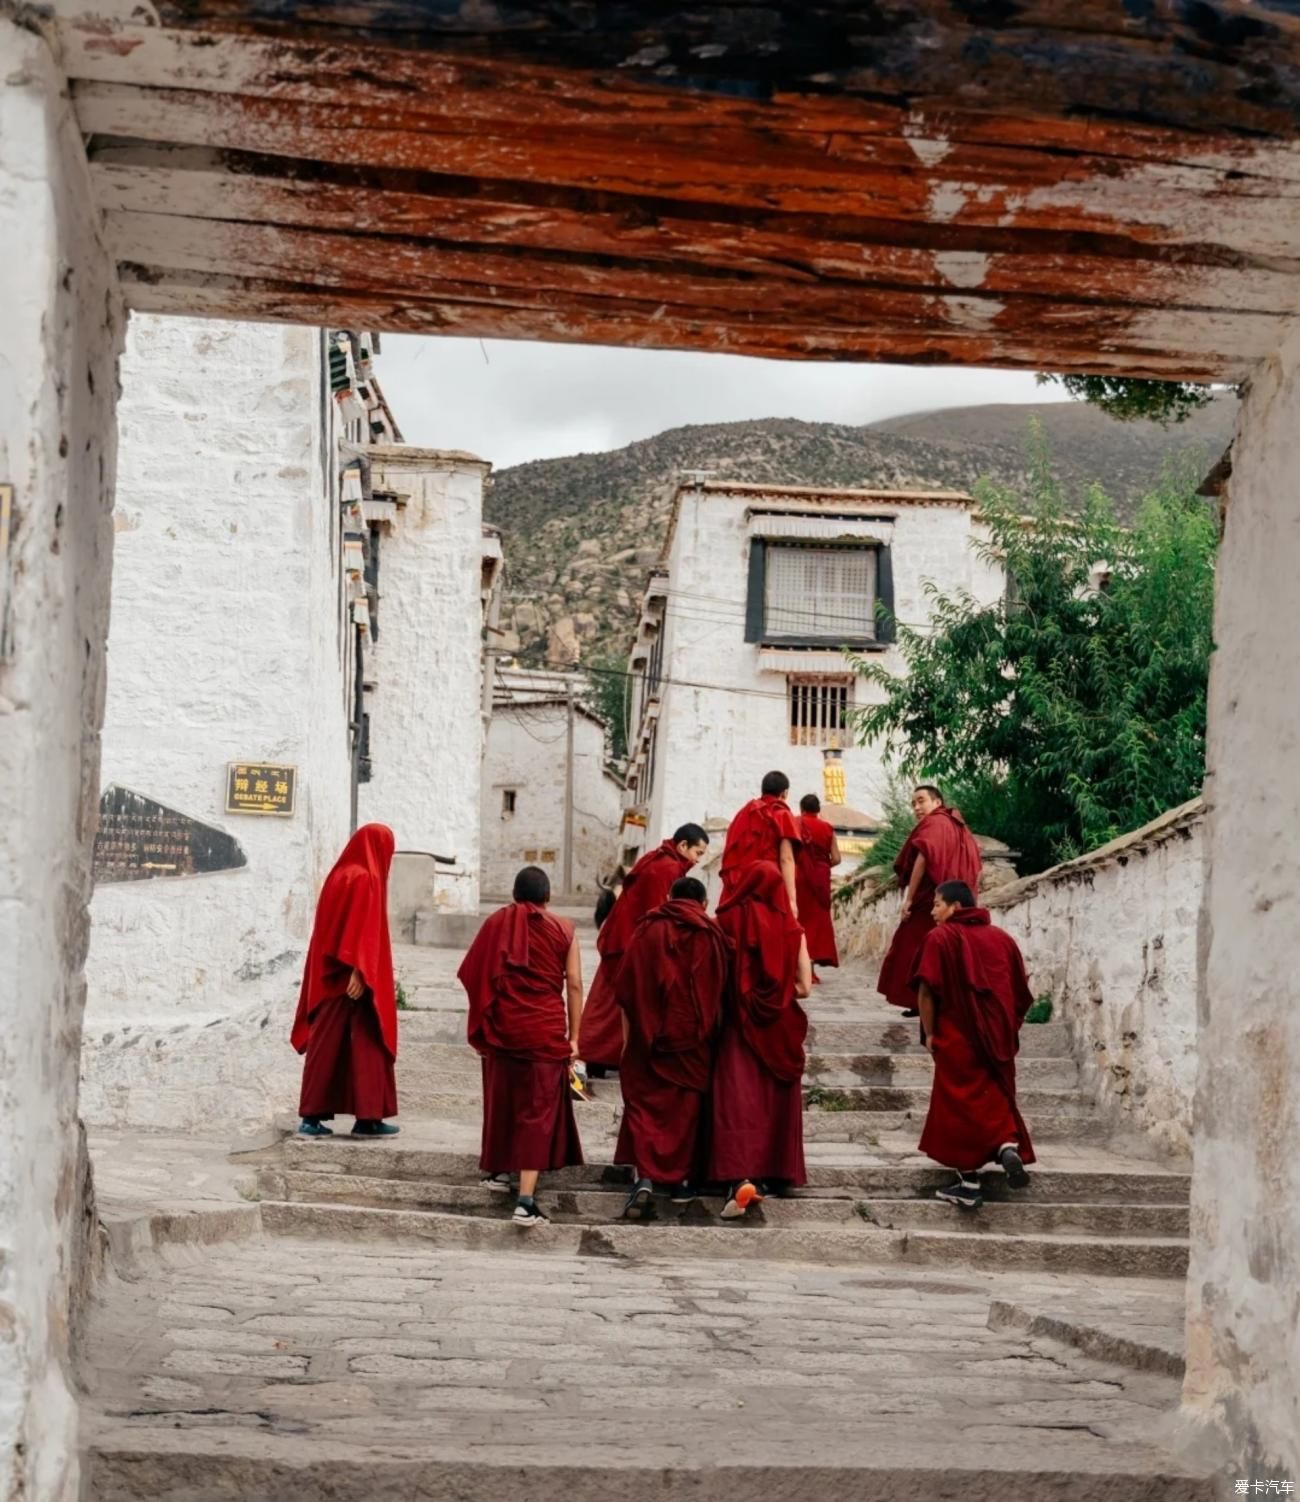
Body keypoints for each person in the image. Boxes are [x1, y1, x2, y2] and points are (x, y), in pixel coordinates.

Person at [458, 865, 585, 1226]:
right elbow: (574, 984)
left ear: (514, 895)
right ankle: (525, 1201)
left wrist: (485, 1020)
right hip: (543, 1029)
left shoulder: (497, 923)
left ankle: (498, 1173)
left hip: (503, 1026)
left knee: (504, 1098)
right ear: (548, 897)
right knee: (537, 1111)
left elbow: (472, 972)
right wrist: (575, 1037)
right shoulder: (564, 929)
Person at [913, 880, 1036, 1210]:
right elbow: (1021, 994)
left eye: (937, 904)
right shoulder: (1003, 940)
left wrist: (930, 1032)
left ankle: (968, 1183)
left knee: (958, 1107)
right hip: (997, 1037)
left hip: (956, 1035)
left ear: (955, 906)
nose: (932, 910)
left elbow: (925, 991)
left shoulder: (939, 938)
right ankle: (1005, 1147)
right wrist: (1004, 1027)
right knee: (993, 1096)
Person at [614, 876, 731, 1219]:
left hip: (648, 1036)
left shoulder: (647, 929)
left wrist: (627, 1039)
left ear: (667, 896)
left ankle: (646, 1177)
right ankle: (680, 1181)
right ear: (705, 904)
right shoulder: (711, 935)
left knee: (645, 1105)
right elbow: (722, 991)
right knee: (685, 1108)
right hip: (693, 1039)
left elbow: (625, 988)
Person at [708, 860, 812, 1219]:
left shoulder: (727, 921)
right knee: (773, 1099)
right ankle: (775, 1171)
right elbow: (806, 987)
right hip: (778, 1025)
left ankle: (737, 1176)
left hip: (739, 1023)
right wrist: (781, 991)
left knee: (738, 1098)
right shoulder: (791, 928)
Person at [291, 823, 400, 1139]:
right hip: (351, 979)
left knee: (339, 1046)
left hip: (329, 976)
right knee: (366, 1045)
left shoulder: (340, 874)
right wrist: (360, 970)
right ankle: (332, 1117)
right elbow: (360, 928)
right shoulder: (365, 878)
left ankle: (364, 1117)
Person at [577, 824, 710, 1072]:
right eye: (698, 853)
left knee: (613, 1003)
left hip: (622, 939)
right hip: (628, 943)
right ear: (683, 846)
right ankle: (594, 1055)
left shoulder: (658, 859)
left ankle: (602, 1057)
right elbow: (660, 911)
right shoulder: (667, 868)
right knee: (617, 1004)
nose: (698, 860)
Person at [877, 784, 982, 1018]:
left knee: (914, 948)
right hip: (954, 900)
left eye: (921, 801)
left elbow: (923, 858)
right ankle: (931, 1001)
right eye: (913, 803)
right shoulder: (957, 826)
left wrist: (909, 899)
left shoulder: (936, 822)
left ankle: (921, 1000)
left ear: (937, 803)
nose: (916, 807)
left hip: (931, 900)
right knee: (941, 950)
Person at [720, 770, 801, 915]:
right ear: (785, 794)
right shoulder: (782, 814)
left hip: (740, 888)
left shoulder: (743, 814)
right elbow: (786, 858)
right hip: (768, 888)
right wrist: (792, 901)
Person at [794, 793, 841, 976]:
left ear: (802, 809)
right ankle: (810, 968)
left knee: (799, 920)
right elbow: (836, 858)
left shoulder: (795, 823)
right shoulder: (827, 828)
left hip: (799, 877)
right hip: (821, 879)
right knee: (816, 922)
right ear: (818, 810)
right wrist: (821, 866)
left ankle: (799, 969)